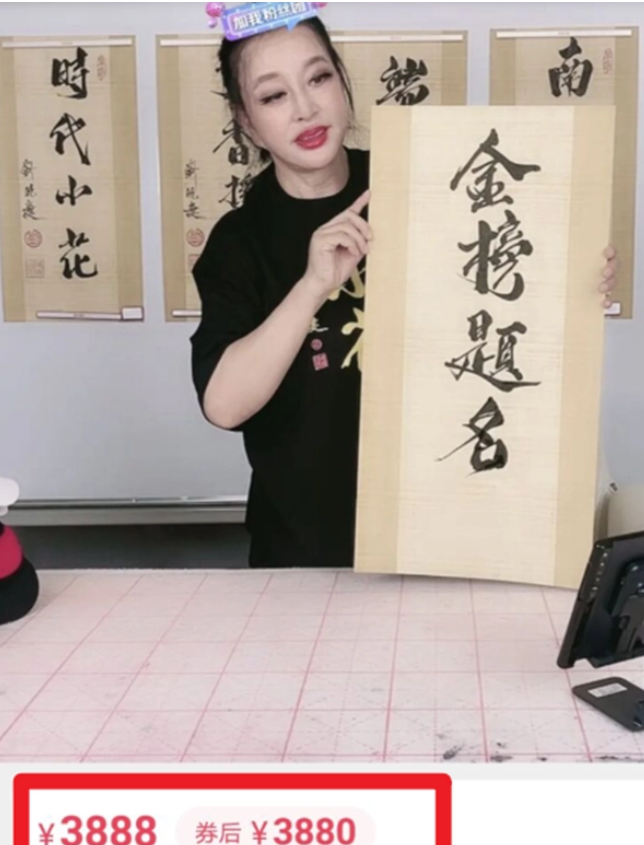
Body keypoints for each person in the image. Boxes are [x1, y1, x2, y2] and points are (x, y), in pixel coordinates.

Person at [190, 15, 618, 571]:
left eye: (318, 78)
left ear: (342, 82)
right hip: (305, 547)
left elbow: (499, 300)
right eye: (274, 95)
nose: (305, 108)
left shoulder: (423, 180)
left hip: (442, 529)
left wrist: (574, 279)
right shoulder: (241, 240)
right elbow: (223, 405)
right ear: (246, 120)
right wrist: (313, 285)